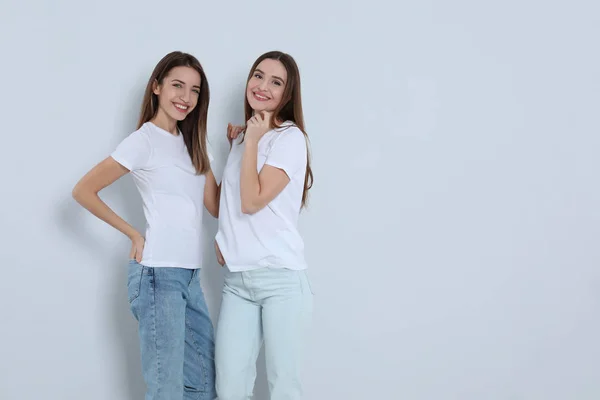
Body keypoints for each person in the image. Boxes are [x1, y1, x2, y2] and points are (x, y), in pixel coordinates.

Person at [72, 51, 218, 400]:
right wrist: (132, 233)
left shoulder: (193, 143)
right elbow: (83, 191)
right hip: (157, 276)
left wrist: (242, 147)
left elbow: (215, 206)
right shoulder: (143, 141)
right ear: (157, 87)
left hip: (190, 275)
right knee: (165, 389)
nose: (186, 97)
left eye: (195, 90)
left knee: (205, 382)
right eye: (177, 86)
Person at [214, 50, 314, 400]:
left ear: (287, 94)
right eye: (258, 76)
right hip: (238, 282)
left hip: (281, 280)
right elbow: (228, 205)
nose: (262, 86)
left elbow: (252, 200)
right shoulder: (243, 139)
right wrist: (223, 238)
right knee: (229, 387)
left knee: (284, 387)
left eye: (276, 82)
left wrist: (253, 141)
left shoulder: (289, 139)